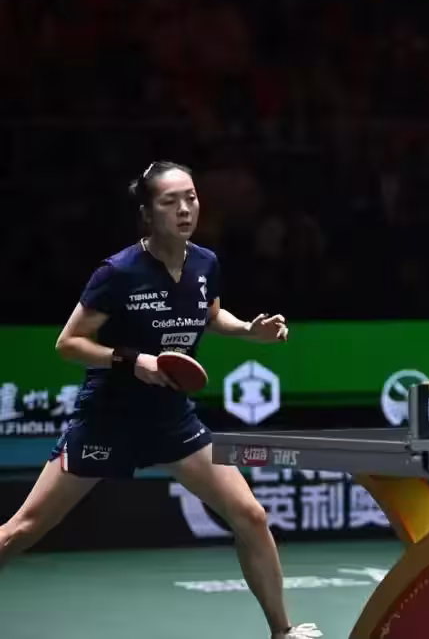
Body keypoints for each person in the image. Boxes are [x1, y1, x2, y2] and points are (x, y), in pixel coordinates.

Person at [0, 162, 321, 639]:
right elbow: (68, 344)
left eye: (191, 197)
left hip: (171, 420)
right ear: (148, 213)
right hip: (109, 418)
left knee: (251, 516)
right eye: (170, 201)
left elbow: (209, 314)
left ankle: (282, 632)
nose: (185, 209)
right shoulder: (118, 272)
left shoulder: (205, 263)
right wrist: (133, 361)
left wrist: (247, 330)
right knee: (23, 529)